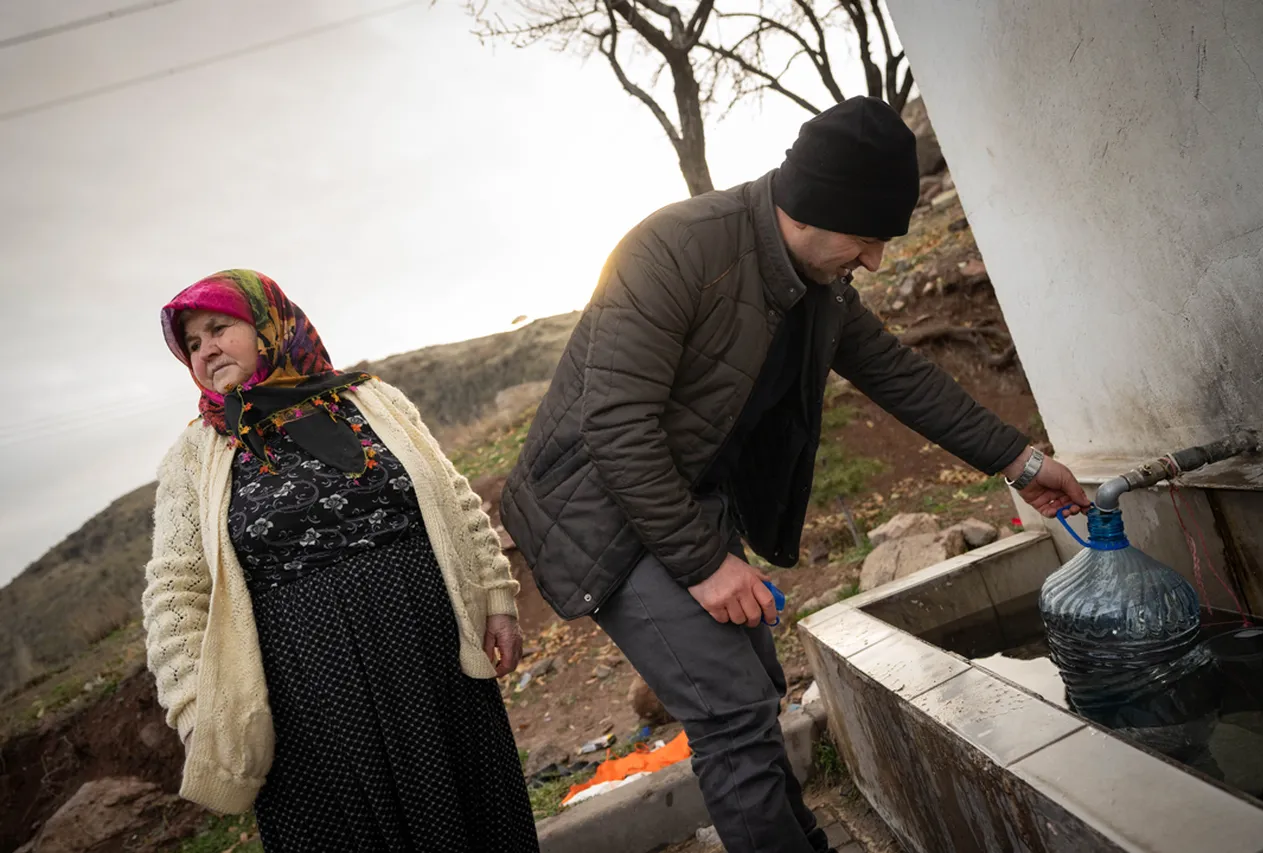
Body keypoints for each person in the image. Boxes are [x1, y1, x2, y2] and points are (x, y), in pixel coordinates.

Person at [501, 97, 1089, 853]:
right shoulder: (674, 250)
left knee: (755, 688)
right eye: (869, 237)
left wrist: (1024, 463)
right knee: (730, 715)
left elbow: (903, 376)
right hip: (602, 506)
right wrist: (706, 564)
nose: (876, 260)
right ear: (816, 207)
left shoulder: (820, 286)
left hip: (678, 494)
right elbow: (613, 426)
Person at [142, 269, 539, 852]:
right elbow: (174, 591)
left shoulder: (372, 401)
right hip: (305, 684)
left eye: (218, 328)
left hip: (427, 644)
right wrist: (196, 707)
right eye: (192, 345)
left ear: (268, 326)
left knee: (471, 813)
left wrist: (497, 601)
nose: (205, 351)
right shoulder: (194, 454)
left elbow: (454, 500)